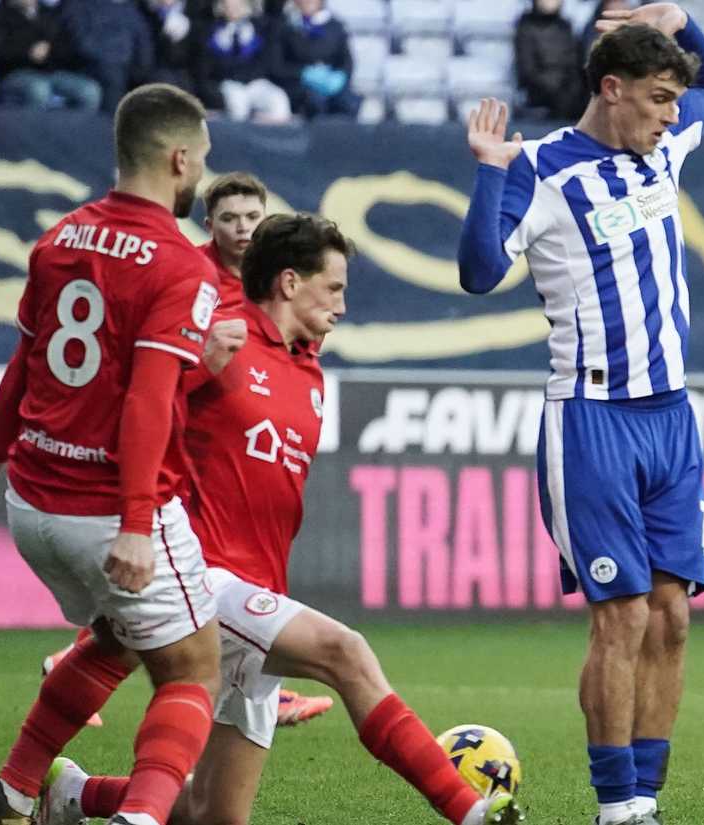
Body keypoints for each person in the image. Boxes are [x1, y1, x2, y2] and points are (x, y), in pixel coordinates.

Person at [31, 213, 527, 825]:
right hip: (199, 575)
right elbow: (135, 407)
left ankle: (73, 797)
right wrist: (196, 369)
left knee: (213, 813)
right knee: (345, 652)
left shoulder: (309, 369)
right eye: (335, 287)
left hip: (257, 593)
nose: (344, 304)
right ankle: (468, 811)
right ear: (289, 282)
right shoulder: (220, 337)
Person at [455, 4, 704, 823]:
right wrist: (487, 171)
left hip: (672, 417)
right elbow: (476, 273)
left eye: (672, 102)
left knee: (672, 617)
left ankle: (647, 796)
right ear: (611, 90)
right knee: (621, 615)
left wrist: (682, 19)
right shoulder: (539, 170)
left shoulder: (665, 149)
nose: (672, 115)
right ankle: (617, 808)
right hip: (592, 418)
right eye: (655, 99)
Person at [0, 83, 222, 825]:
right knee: (193, 667)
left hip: (33, 503)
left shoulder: (60, 240)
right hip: (107, 513)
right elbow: (151, 398)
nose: (202, 172)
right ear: (180, 157)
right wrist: (137, 520)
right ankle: (140, 817)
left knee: (119, 636)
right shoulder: (181, 266)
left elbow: (24, 363)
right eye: (203, 159)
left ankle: (17, 790)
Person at [35, 172, 338, 729]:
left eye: (252, 217)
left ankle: (65, 769)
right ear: (209, 225)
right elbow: (155, 381)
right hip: (185, 464)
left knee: (162, 614)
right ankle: (75, 675)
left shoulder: (274, 297)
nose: (242, 228)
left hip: (235, 461)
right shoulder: (196, 280)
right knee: (166, 611)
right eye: (230, 218)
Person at [0, 0, 103, 111]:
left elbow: (67, 47)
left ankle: (73, 130)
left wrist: (50, 51)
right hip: (15, 74)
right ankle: (31, 131)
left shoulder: (50, 14)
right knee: (39, 89)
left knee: (90, 91)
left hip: (52, 72)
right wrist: (28, 53)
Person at [194, 0, 292, 124]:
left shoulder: (260, 27)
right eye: (228, 5)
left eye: (238, 5)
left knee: (278, 99)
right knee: (238, 105)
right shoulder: (212, 31)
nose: (233, 9)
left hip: (256, 82)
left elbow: (267, 58)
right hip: (228, 82)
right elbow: (206, 66)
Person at [57, 0, 157, 111]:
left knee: (155, 82)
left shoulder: (131, 8)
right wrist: (113, 58)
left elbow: (144, 42)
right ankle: (112, 124)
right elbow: (80, 42)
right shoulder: (80, 4)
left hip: (128, 67)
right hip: (93, 65)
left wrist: (141, 68)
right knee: (113, 77)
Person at [277, 0, 362, 119]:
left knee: (348, 103)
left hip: (331, 84)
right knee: (314, 102)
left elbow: (347, 61)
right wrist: (303, 73)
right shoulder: (287, 27)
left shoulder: (335, 26)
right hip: (299, 86)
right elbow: (278, 65)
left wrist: (339, 78)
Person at [515, 0, 588, 120]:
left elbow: (574, 64)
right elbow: (527, 71)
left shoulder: (565, 26)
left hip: (570, 98)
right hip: (539, 98)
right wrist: (556, 92)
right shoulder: (525, 27)